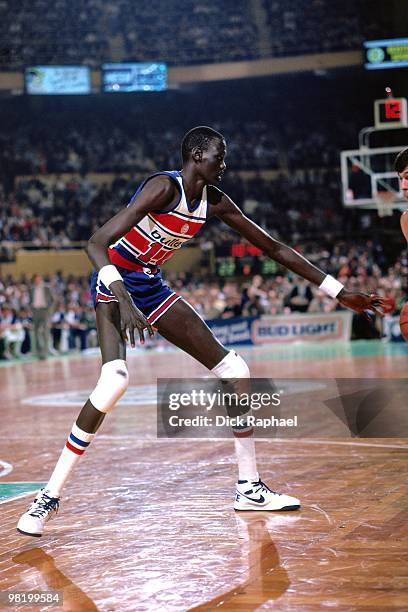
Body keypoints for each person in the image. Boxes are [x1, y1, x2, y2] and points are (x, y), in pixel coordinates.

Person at [17, 126, 388, 537]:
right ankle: (48, 496)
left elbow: (275, 248)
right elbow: (96, 243)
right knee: (114, 382)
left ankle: (249, 487)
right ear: (196, 156)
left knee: (235, 369)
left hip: (149, 285)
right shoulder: (162, 188)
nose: (224, 165)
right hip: (113, 280)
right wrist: (122, 298)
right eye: (219, 156)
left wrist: (339, 291)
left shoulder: (214, 202)